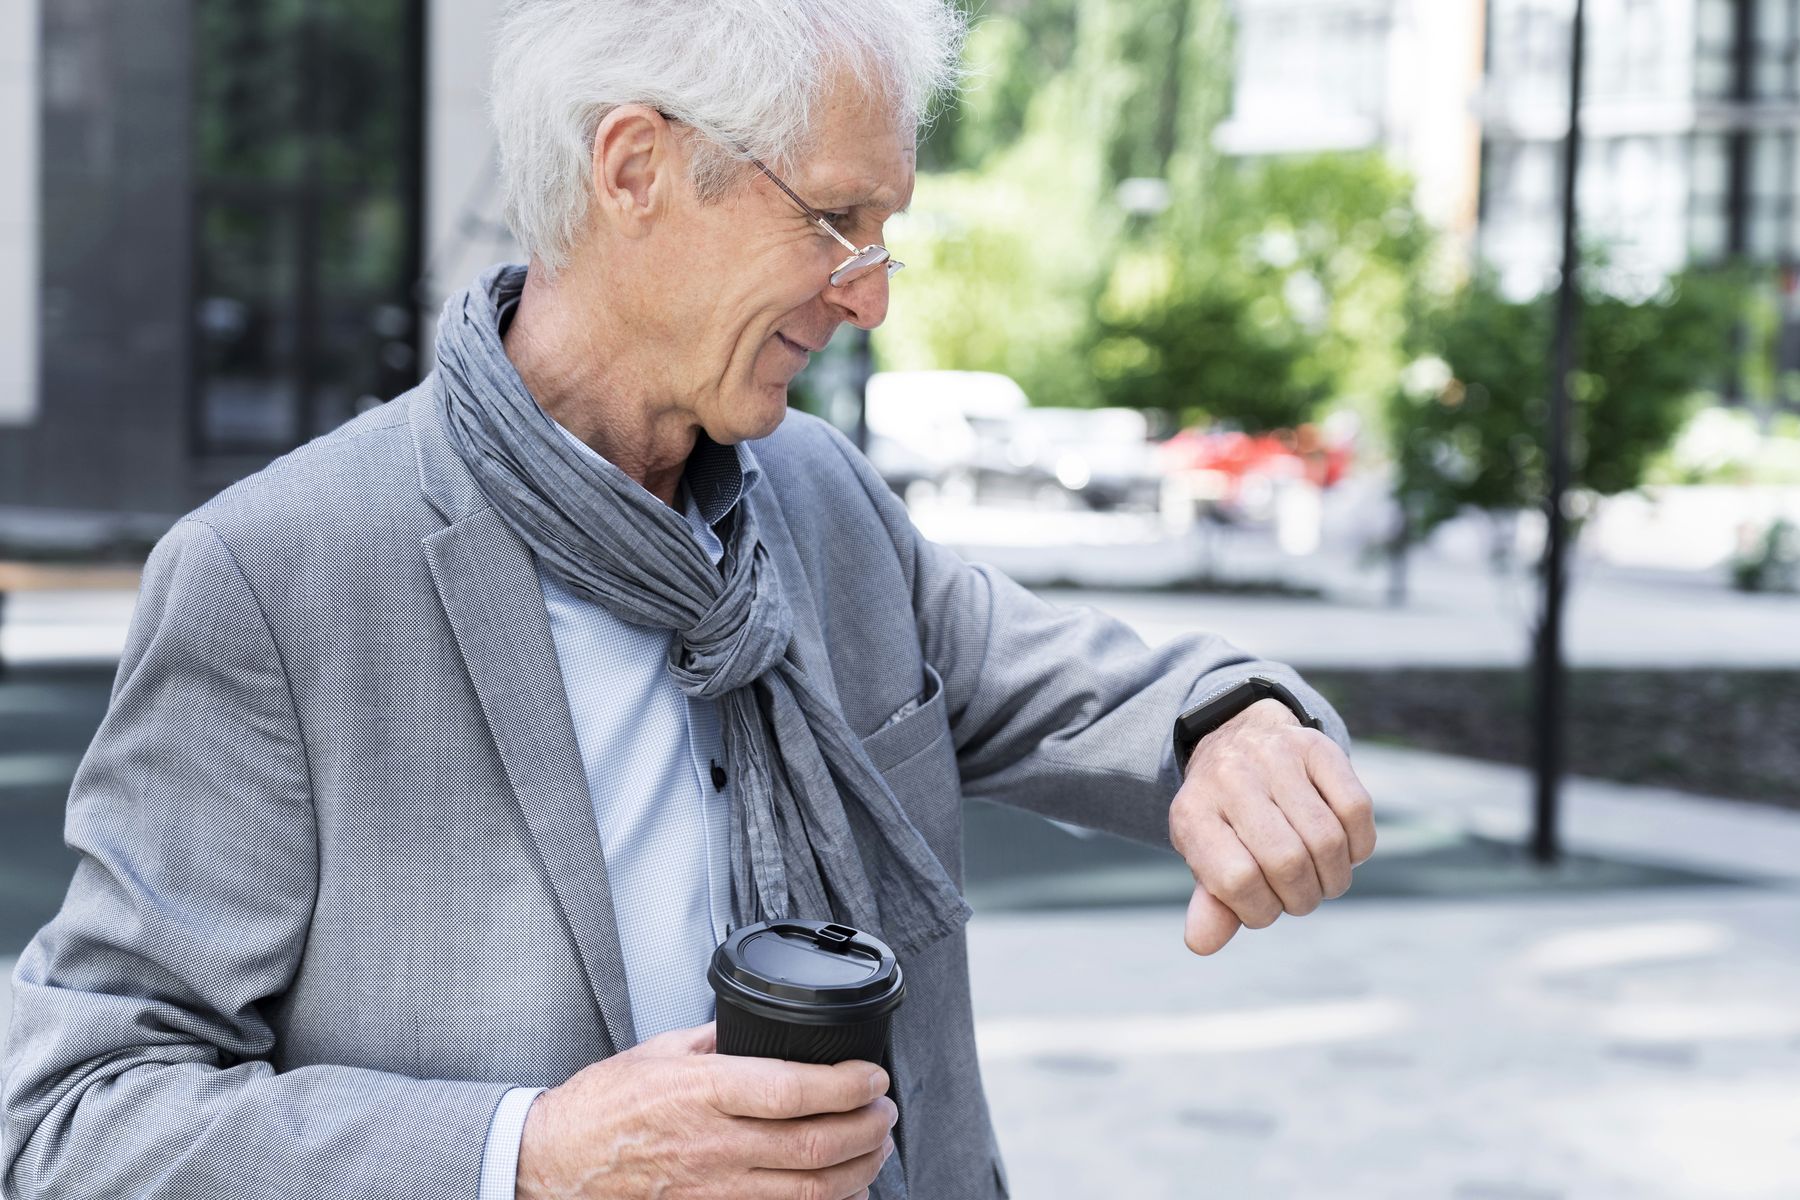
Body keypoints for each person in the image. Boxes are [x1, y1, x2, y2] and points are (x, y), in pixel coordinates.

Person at [1, 2, 1375, 1197]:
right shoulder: (275, 578)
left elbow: (1107, 691)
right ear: (637, 168)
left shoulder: (823, 501)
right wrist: (528, 1159)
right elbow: (72, 1119)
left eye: (886, 232)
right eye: (839, 221)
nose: (872, 298)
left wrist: (1236, 728)